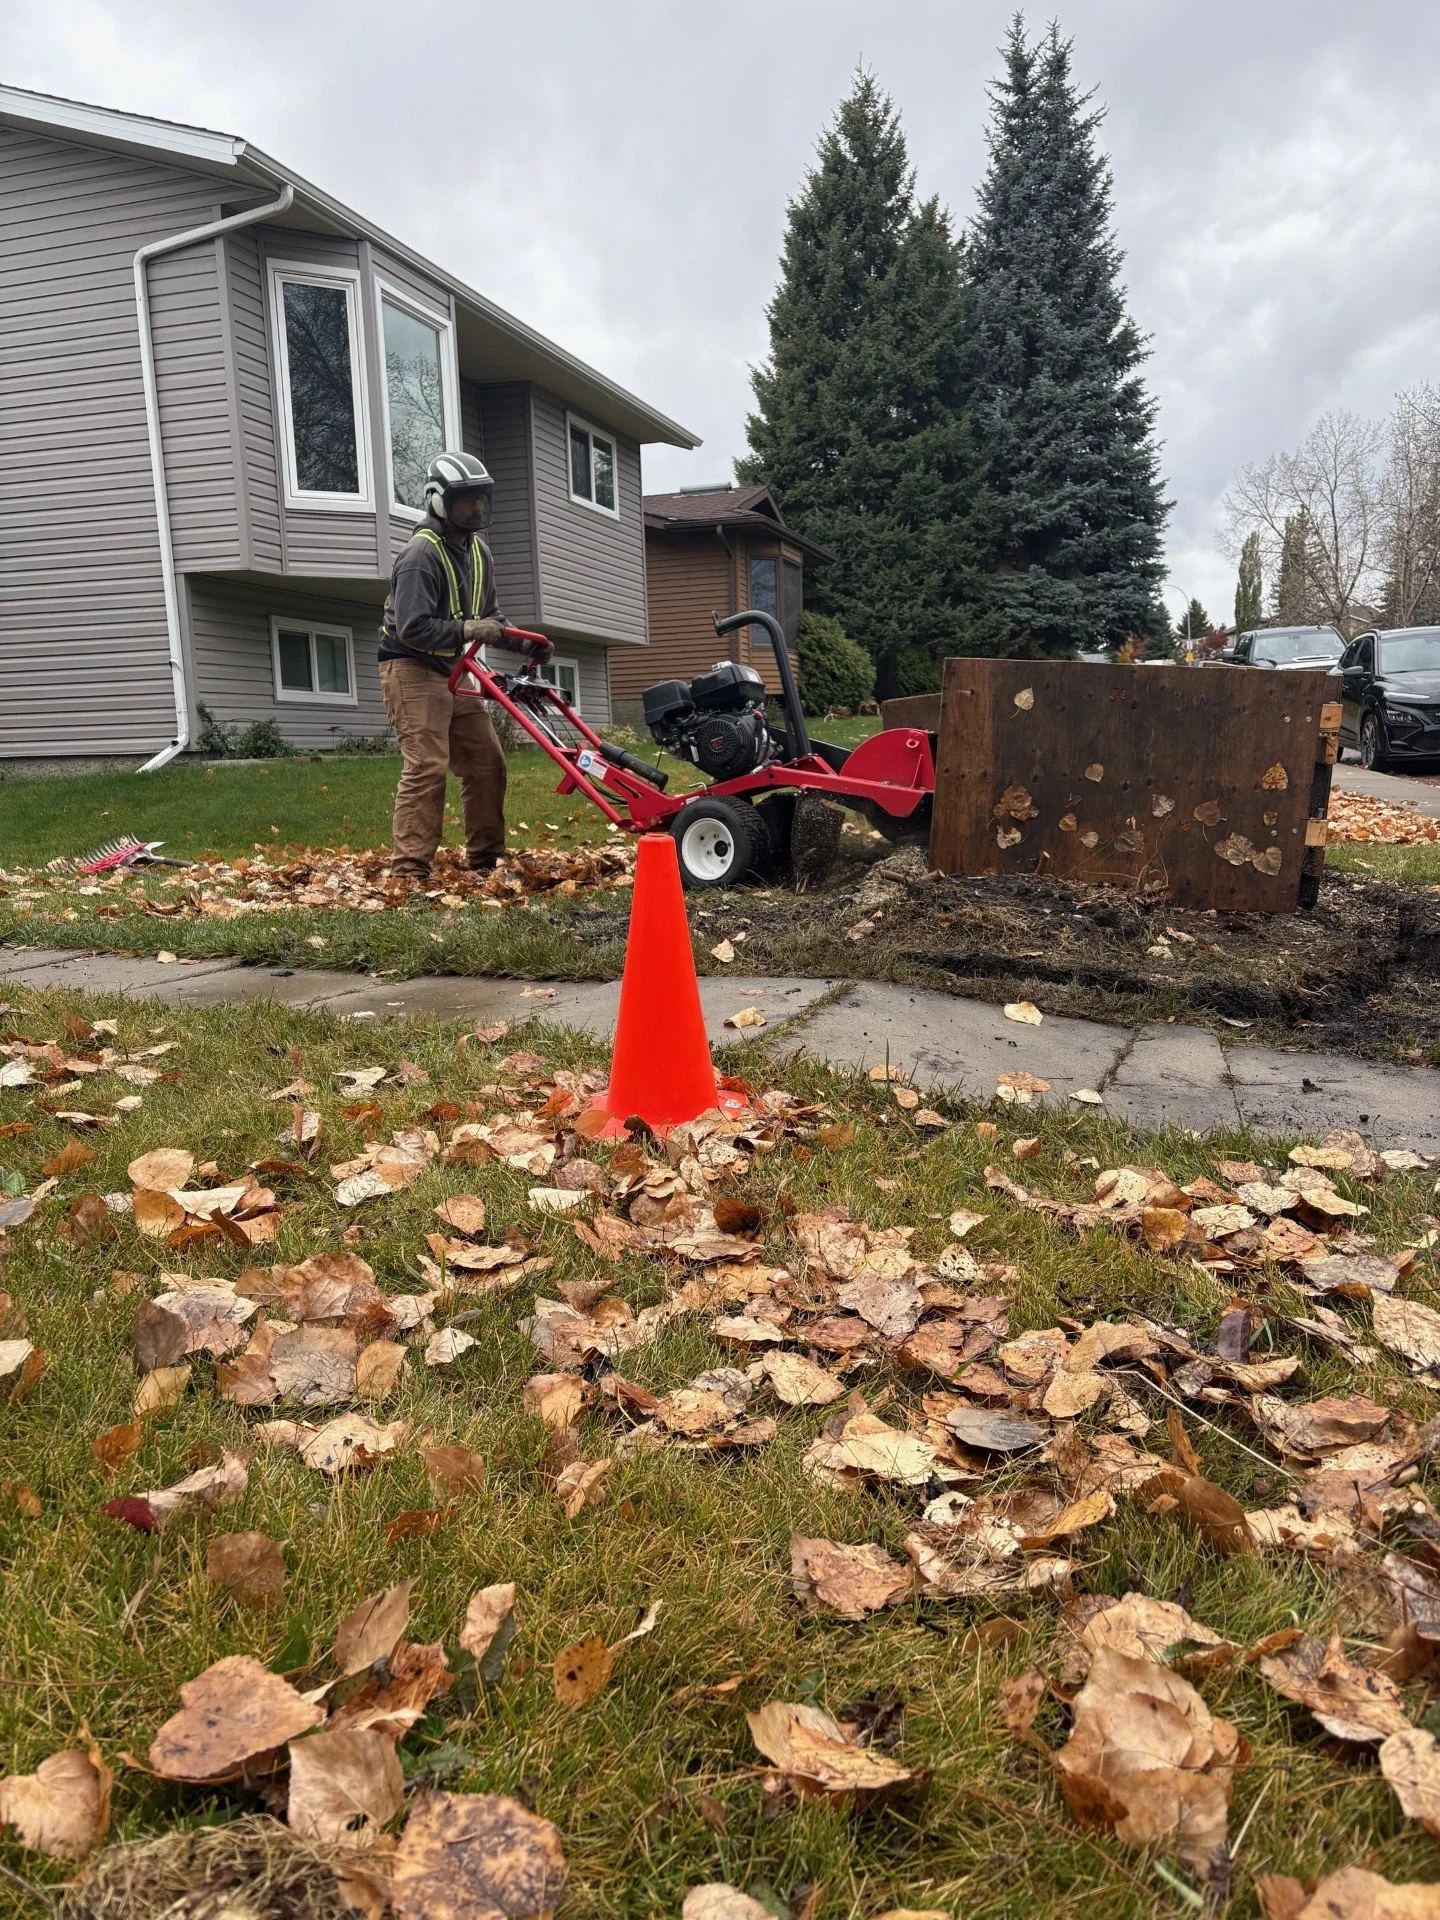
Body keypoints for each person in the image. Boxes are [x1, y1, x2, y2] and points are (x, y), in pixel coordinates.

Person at [378, 451, 552, 881]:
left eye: (480, 498)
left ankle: (485, 861)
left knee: (487, 762)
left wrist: (528, 644)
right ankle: (408, 874)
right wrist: (469, 629)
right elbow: (413, 628)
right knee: (427, 765)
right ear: (439, 500)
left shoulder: (479, 554)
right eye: (466, 499)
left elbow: (491, 618)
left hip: (454, 669)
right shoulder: (421, 555)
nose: (476, 507)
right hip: (411, 667)